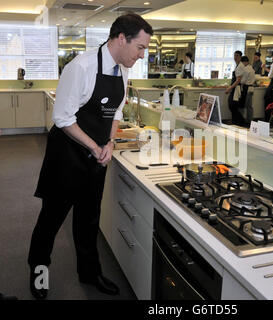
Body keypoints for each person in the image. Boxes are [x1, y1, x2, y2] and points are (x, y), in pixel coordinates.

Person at [27, 13, 153, 300]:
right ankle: (39, 271)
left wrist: (109, 141)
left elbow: (116, 113)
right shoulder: (81, 67)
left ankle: (90, 273)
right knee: (51, 219)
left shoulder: (122, 69)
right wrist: (95, 147)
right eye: (141, 47)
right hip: (66, 156)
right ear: (122, 39)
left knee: (88, 220)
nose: (142, 55)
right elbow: (62, 117)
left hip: (95, 158)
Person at [225, 50, 245, 126]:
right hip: (235, 87)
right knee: (232, 105)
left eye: (237, 56)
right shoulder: (238, 65)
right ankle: (235, 121)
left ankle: (240, 121)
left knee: (232, 105)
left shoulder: (240, 66)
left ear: (240, 57)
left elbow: (238, 80)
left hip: (237, 88)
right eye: (234, 55)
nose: (235, 57)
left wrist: (230, 88)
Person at [240, 56, 256, 125]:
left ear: (244, 62)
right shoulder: (251, 68)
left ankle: (243, 121)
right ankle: (250, 120)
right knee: (249, 106)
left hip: (246, 88)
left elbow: (243, 81)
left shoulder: (245, 69)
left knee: (243, 105)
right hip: (251, 88)